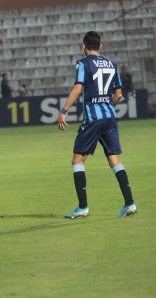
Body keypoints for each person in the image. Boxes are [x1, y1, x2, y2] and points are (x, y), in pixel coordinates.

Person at [58, 31, 137, 219]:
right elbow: (118, 94)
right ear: (100, 45)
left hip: (93, 118)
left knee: (77, 160)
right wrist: (109, 107)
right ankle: (130, 203)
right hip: (110, 118)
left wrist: (63, 111)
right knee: (114, 160)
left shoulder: (83, 63)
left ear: (84, 45)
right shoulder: (112, 64)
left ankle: (83, 207)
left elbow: (78, 89)